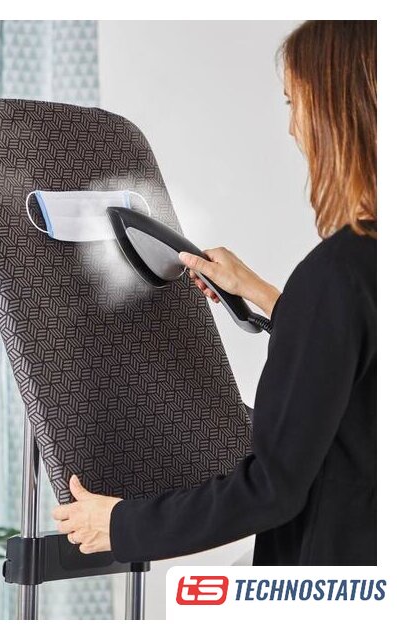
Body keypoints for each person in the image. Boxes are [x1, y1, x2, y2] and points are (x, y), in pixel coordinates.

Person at [52, 20, 377, 566]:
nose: (292, 127)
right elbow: (362, 357)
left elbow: (272, 488)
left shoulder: (337, 274)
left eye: (293, 102)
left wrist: (121, 524)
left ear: (333, 109)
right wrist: (264, 294)